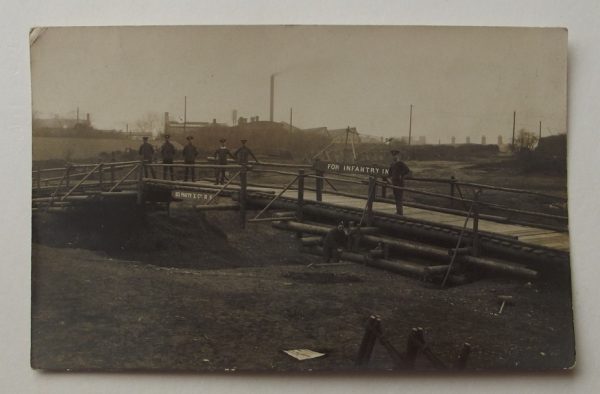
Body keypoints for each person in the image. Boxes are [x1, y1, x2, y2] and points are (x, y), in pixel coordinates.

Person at [387, 150, 411, 215]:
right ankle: (398, 211)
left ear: (398, 156)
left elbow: (408, 171)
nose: (394, 157)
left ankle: (400, 212)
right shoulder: (392, 165)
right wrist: (389, 180)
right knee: (396, 197)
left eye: (395, 155)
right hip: (394, 183)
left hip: (400, 183)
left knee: (399, 197)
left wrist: (402, 175)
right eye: (393, 155)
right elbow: (389, 174)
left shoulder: (401, 163)